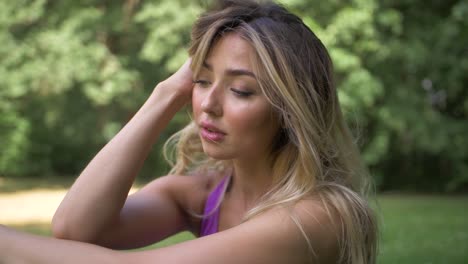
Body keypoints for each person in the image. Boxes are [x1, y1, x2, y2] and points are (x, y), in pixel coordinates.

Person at [0, 0, 378, 263]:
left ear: (291, 110)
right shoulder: (204, 195)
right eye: (201, 81)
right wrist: (166, 93)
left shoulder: (321, 217)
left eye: (240, 90)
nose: (208, 105)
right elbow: (74, 228)